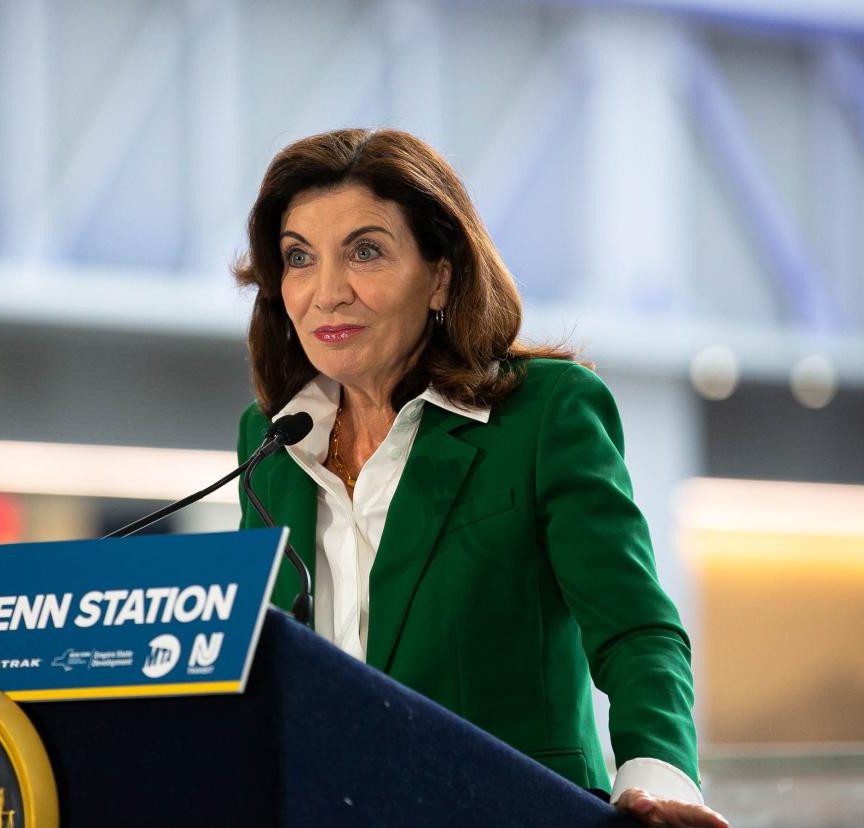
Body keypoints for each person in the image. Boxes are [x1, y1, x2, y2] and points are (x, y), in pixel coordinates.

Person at [234, 128, 727, 827]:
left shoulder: (544, 413)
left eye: (365, 252)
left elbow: (636, 632)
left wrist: (658, 777)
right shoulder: (272, 441)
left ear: (440, 275)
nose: (326, 293)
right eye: (298, 259)